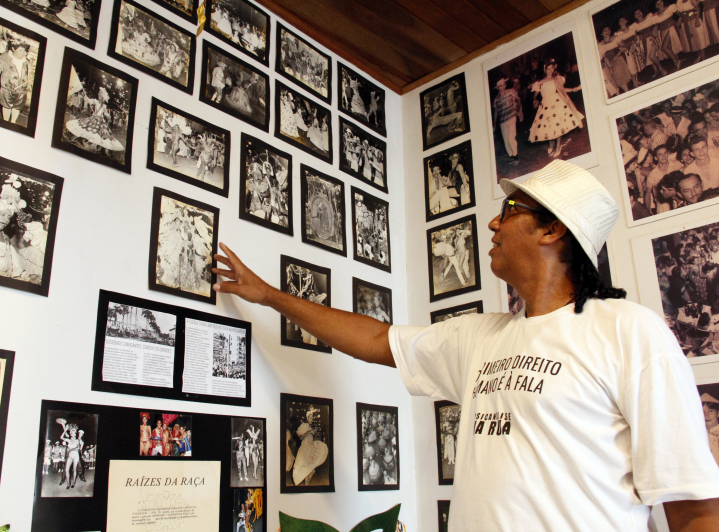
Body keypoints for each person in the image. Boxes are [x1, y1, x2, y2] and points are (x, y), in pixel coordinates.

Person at [211, 159, 719, 531]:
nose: (494, 223)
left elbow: (694, 510)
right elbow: (375, 338)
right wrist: (268, 295)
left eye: (510, 209)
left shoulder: (630, 332)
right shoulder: (481, 337)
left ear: (552, 229)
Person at [528, 59, 583, 158]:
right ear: (544, 69)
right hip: (545, 105)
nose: (549, 70)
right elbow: (535, 95)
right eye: (547, 68)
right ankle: (551, 144)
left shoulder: (556, 79)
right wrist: (534, 100)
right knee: (547, 125)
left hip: (556, 103)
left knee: (557, 125)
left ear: (554, 68)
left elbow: (562, 90)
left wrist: (573, 89)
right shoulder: (540, 82)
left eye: (551, 68)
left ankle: (558, 146)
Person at [0, 40, 32, 124]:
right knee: (6, 105)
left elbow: (29, 74)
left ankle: (13, 122)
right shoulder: (5, 57)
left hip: (21, 89)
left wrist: (29, 82)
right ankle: (5, 121)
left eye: (24, 51)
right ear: (13, 49)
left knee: (18, 106)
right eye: (20, 50)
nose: (23, 53)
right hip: (7, 88)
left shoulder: (26, 61)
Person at [492, 78, 522, 166]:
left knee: (511, 138)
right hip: (502, 121)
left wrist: (518, 110)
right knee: (506, 140)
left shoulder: (511, 92)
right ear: (497, 88)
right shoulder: (496, 99)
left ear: (505, 85)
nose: (501, 87)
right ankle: (512, 156)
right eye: (499, 86)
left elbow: (518, 99)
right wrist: (494, 125)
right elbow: (496, 112)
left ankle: (516, 157)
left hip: (512, 117)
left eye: (503, 85)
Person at [703, 393, 719, 465]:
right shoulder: (697, 434)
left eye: (711, 411)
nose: (706, 415)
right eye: (702, 412)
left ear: (718, 413)